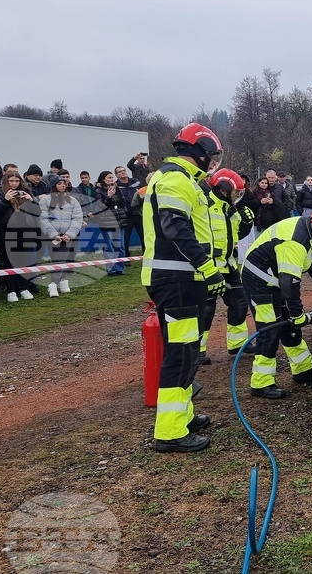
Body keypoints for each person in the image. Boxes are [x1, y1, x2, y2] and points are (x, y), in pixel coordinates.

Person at [141, 122, 223, 453]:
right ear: (200, 152)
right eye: (212, 156)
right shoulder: (176, 179)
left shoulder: (181, 179)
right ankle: (170, 431)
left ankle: (182, 416)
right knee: (180, 353)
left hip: (182, 280)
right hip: (177, 279)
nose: (213, 163)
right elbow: (176, 228)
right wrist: (207, 268)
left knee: (188, 350)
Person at [241, 210, 312, 398]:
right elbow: (289, 283)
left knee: (290, 326)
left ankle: (302, 369)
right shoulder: (295, 243)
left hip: (276, 280)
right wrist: (298, 314)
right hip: (259, 281)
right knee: (270, 328)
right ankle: (261, 382)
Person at [198, 169, 254, 364]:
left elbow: (236, 235)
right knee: (205, 310)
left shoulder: (230, 208)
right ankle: (198, 349)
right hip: (209, 268)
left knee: (239, 303)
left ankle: (237, 344)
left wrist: (247, 222)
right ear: (224, 189)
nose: (238, 196)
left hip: (229, 266)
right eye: (236, 192)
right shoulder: (203, 206)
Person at [0, 172, 41, 302]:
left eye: (16, 181)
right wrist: (5, 200)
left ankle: (24, 288)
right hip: (6, 231)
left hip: (26, 230)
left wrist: (31, 201)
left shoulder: (25, 191)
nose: (14, 184)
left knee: (25, 261)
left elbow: (37, 213)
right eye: (11, 181)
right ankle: (11, 290)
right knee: (9, 261)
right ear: (6, 181)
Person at [39, 174, 83, 297]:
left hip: (67, 236)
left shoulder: (73, 200)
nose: (63, 185)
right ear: (53, 186)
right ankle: (54, 284)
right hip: (51, 236)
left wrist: (70, 234)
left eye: (64, 183)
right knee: (57, 259)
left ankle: (60, 282)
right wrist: (53, 234)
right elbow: (43, 219)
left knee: (62, 258)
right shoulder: (45, 200)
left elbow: (77, 218)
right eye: (59, 183)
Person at [91, 171, 128, 276]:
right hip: (107, 221)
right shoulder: (98, 191)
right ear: (103, 179)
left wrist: (124, 211)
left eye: (112, 177)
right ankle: (111, 269)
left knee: (120, 246)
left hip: (120, 219)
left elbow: (123, 202)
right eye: (109, 177)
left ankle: (120, 268)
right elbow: (100, 207)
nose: (111, 179)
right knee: (110, 246)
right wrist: (109, 196)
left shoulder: (118, 189)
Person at [115, 165, 143, 256]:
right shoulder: (116, 186)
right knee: (125, 237)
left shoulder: (135, 182)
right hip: (126, 215)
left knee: (144, 235)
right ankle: (126, 258)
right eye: (120, 171)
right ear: (117, 175)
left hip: (138, 213)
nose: (123, 172)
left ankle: (146, 255)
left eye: (124, 170)